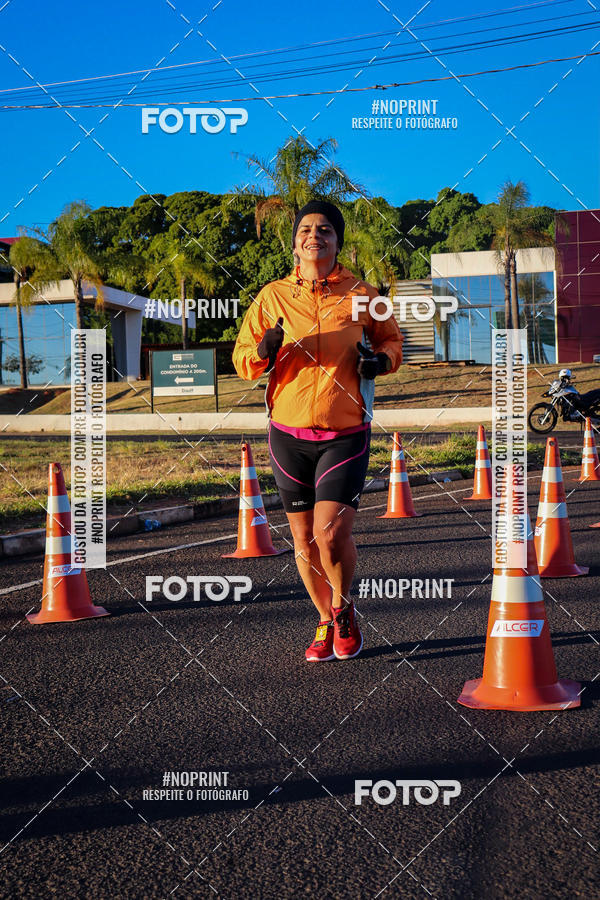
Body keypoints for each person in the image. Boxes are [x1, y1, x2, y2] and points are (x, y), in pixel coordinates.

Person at [233, 200, 404, 662]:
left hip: (345, 431)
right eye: (306, 229)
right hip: (287, 433)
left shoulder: (364, 293)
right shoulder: (271, 296)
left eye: (325, 229)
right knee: (303, 539)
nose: (315, 235)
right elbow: (242, 359)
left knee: (330, 534)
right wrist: (265, 349)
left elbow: (392, 340)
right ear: (294, 242)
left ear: (337, 241)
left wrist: (380, 362)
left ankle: (344, 608)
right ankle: (325, 619)